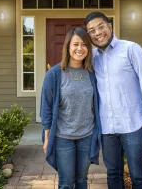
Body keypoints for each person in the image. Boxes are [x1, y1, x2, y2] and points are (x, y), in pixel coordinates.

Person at [84, 11, 142, 189]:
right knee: (113, 174)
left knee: (138, 175)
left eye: (101, 27)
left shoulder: (131, 49)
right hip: (107, 128)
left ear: (109, 27)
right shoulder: (92, 57)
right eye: (92, 30)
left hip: (132, 124)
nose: (97, 33)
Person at [40, 27, 101, 189]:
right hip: (62, 137)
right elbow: (46, 107)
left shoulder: (92, 73)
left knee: (81, 180)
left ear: (88, 48)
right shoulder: (54, 74)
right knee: (66, 183)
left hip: (87, 136)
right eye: (75, 44)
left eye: (84, 44)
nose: (79, 49)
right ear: (68, 47)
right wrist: (47, 138)